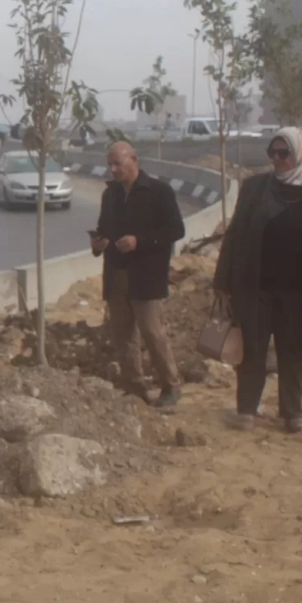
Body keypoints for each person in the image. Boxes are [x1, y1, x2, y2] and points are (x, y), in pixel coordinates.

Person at [214, 128, 302, 433]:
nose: (278, 160)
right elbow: (236, 235)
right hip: (256, 288)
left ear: (301, 153)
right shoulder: (255, 188)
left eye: (285, 153)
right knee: (252, 350)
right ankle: (246, 410)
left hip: (300, 292)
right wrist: (222, 280)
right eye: (274, 153)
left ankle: (291, 414)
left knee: (293, 353)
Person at [90, 142, 185, 406]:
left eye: (118, 163)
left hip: (146, 275)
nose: (113, 169)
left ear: (134, 160)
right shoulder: (111, 195)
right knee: (123, 335)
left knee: (152, 332)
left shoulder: (159, 192)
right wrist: (99, 244)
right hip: (116, 272)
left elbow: (175, 230)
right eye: (110, 164)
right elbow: (103, 228)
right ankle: (135, 388)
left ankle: (170, 386)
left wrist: (139, 241)